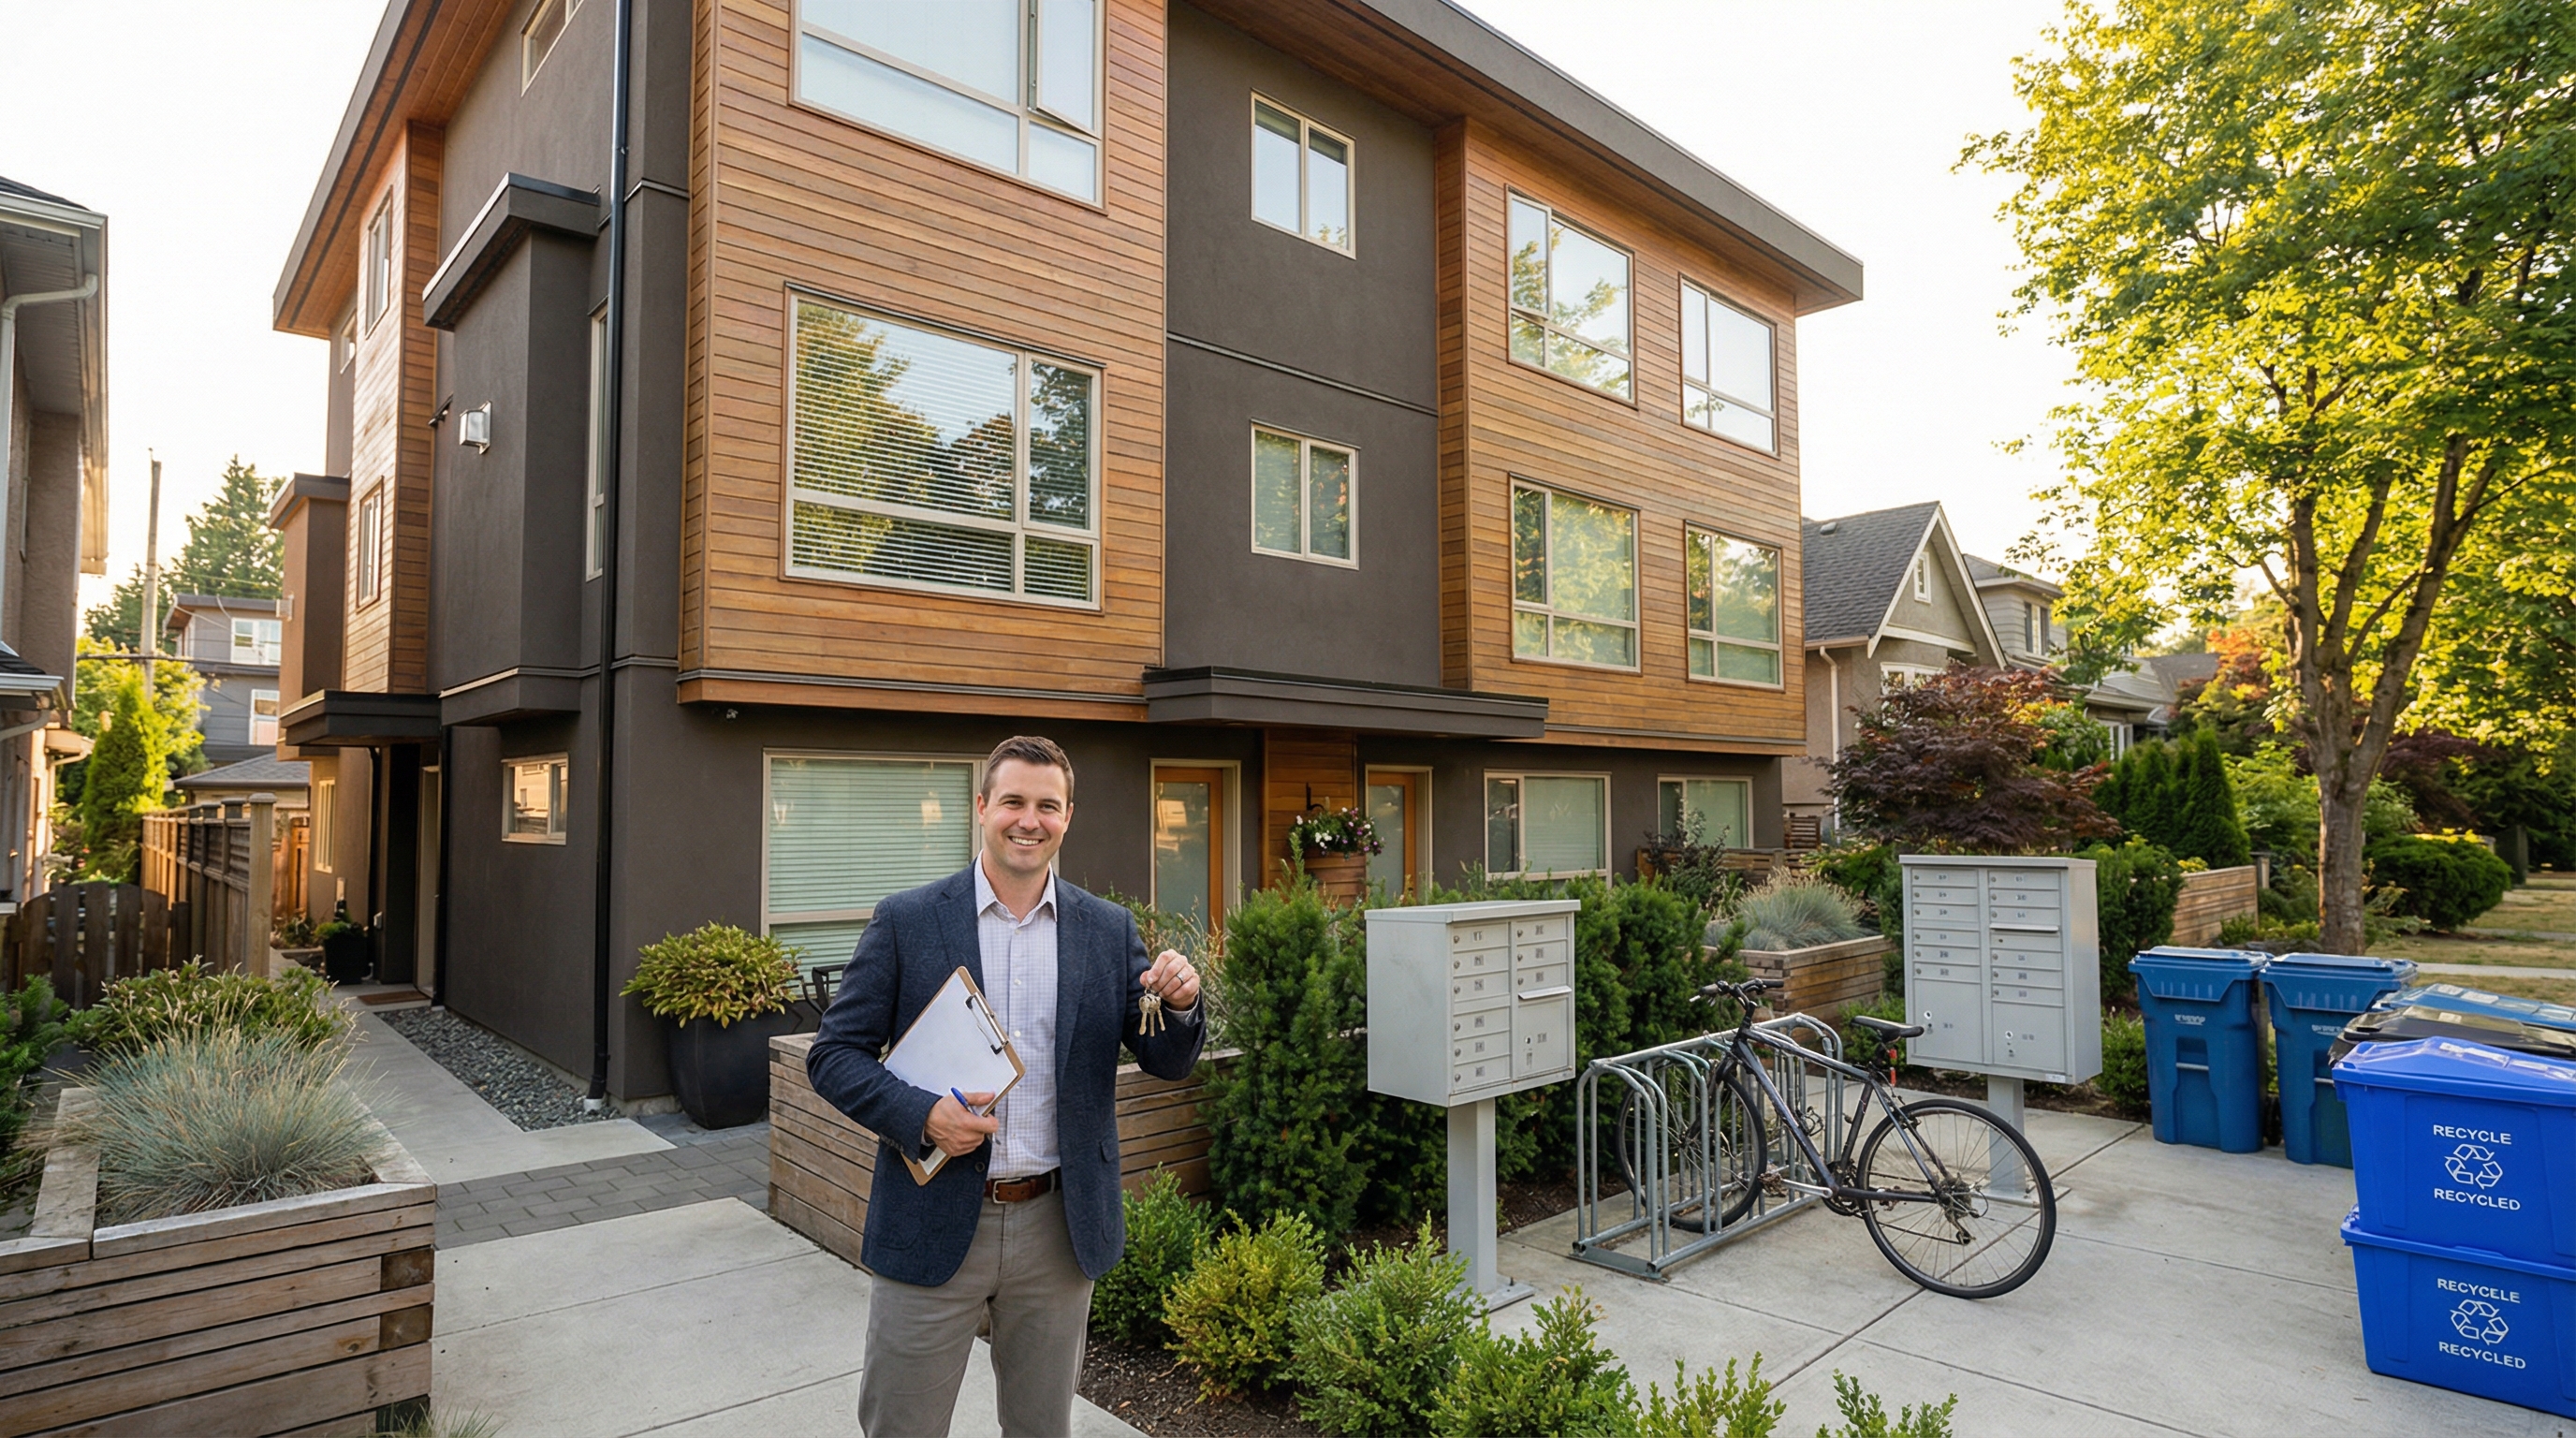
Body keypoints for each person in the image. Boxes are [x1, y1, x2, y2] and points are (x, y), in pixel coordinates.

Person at [808, 734, 1205, 1438]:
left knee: (1040, 1430)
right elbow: (834, 1054)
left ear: (1068, 817)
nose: (1030, 820)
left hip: (1058, 1228)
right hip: (931, 1216)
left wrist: (1178, 1006)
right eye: (1014, 801)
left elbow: (1166, 1061)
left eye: (1047, 806)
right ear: (983, 806)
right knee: (902, 1427)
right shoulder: (907, 920)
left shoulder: (1107, 929)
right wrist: (924, 1115)